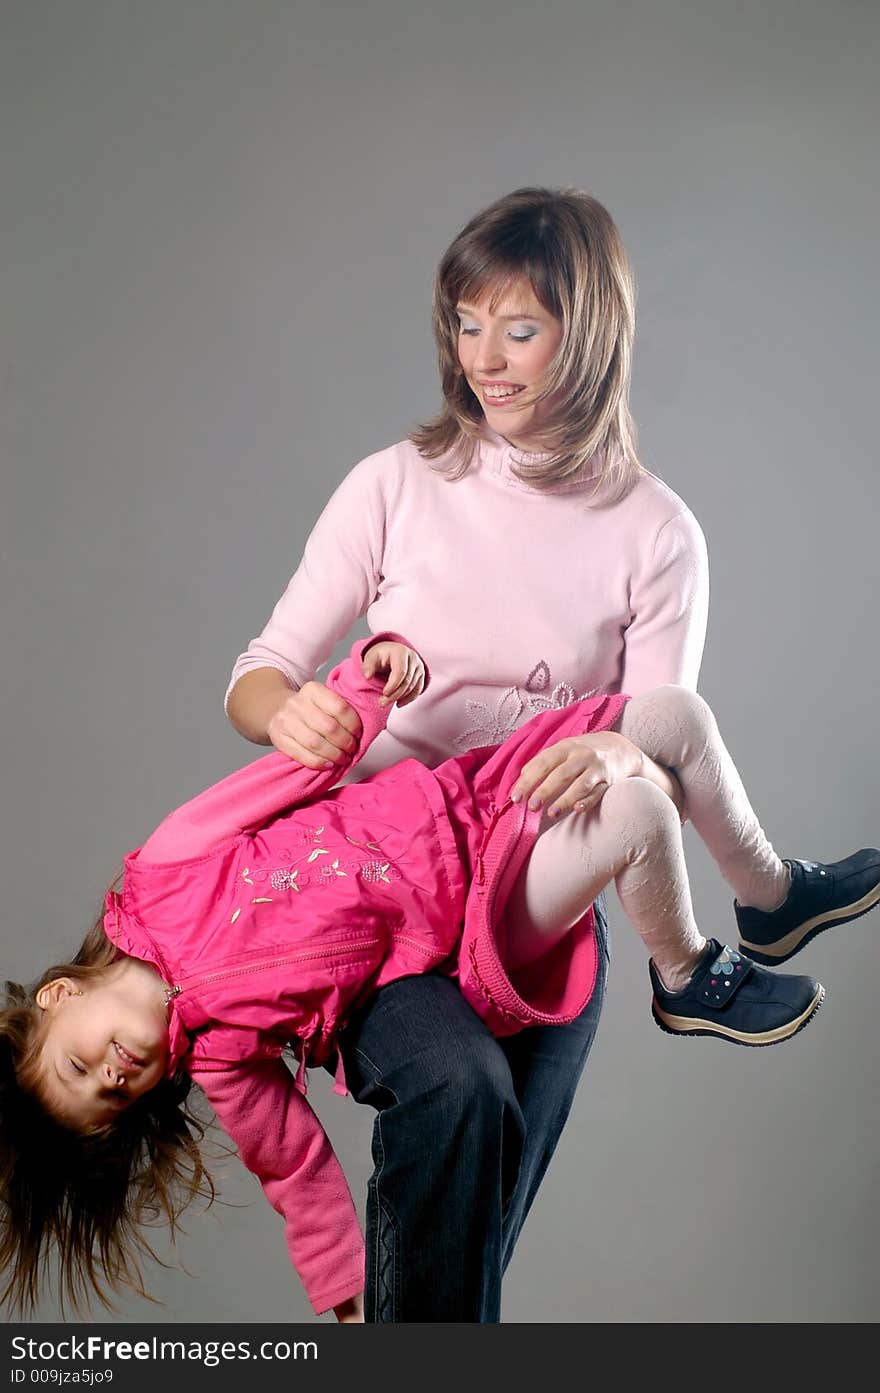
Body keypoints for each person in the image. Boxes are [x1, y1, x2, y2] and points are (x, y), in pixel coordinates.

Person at [3, 632, 879, 1319]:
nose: (114, 1075)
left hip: (460, 800)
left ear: (58, 997)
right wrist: (350, 1305)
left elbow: (295, 767)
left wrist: (365, 679)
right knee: (641, 808)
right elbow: (296, 1171)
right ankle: (685, 975)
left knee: (674, 716)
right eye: (110, 1098)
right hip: (471, 920)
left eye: (78, 1067)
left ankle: (770, 894)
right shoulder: (227, 1056)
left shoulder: (165, 867)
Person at [224, 184, 709, 1323]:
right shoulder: (394, 484)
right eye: (464, 322)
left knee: (458, 1270)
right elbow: (261, 669)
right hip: (376, 897)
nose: (484, 358)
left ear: (588, 332)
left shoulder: (658, 533)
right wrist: (280, 713)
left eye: (520, 328)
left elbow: (664, 746)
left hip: (533, 905)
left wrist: (615, 762)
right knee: (456, 1090)